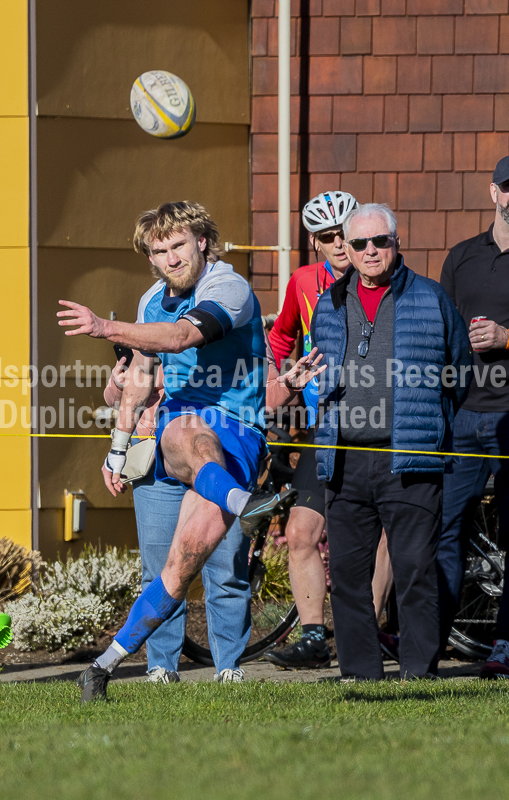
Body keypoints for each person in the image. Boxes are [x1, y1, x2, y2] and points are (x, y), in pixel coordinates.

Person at [57, 201, 324, 701]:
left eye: (178, 245)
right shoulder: (150, 300)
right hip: (179, 426)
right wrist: (117, 449)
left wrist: (104, 327)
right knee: (182, 432)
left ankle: (183, 664)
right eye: (159, 251)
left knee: (186, 565)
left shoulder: (228, 286)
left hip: (237, 434)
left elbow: (183, 336)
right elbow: (140, 375)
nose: (170, 258)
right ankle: (103, 669)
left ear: (202, 241)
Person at [311, 203, 471, 680]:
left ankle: (419, 672)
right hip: (346, 458)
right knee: (348, 578)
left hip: (411, 458)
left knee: (416, 571)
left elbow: (458, 372)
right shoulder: (329, 302)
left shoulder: (431, 298)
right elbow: (318, 370)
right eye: (359, 244)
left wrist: (432, 428)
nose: (369, 251)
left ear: (396, 243)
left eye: (380, 241)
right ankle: (360, 674)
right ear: (348, 249)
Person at [104, 340, 323, 683]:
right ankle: (162, 666)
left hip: (224, 455)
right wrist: (118, 385)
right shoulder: (152, 324)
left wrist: (288, 385)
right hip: (155, 457)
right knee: (161, 566)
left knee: (227, 566)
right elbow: (117, 396)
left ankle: (228, 666)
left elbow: (264, 398)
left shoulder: (243, 329)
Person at [265, 191, 394, 671]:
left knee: (386, 533)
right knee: (301, 533)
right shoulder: (302, 282)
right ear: (315, 244)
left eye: (346, 233)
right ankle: (314, 637)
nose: (341, 244)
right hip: (328, 426)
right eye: (328, 238)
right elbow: (281, 335)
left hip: (383, 426)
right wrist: (286, 380)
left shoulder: (386, 276)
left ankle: (368, 631)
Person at [436, 156, 509, 679]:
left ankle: (504, 647)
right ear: (493, 193)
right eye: (508, 188)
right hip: (463, 417)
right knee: (444, 529)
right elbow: (441, 337)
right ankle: (428, 644)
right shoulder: (461, 258)